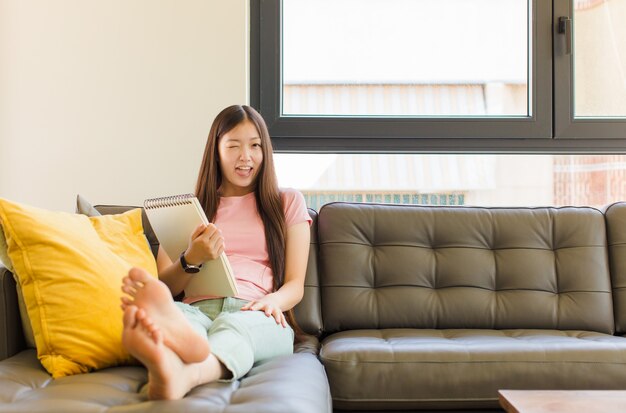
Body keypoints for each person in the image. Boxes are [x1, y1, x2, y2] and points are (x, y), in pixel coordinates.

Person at [120, 104, 312, 400]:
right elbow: (165, 287)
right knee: (182, 317)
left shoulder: (286, 202)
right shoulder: (191, 209)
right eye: (233, 146)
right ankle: (170, 356)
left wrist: (272, 301)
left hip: (257, 310)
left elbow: (295, 285)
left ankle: (186, 372)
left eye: (255, 146)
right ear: (216, 151)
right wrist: (191, 259)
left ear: (265, 151)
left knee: (234, 327)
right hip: (198, 307)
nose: (245, 157)